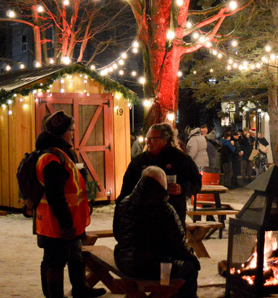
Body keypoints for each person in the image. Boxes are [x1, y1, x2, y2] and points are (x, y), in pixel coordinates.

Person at [35, 111, 106, 298]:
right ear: (60, 132)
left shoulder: (64, 153)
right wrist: (66, 224)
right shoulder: (51, 157)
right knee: (55, 262)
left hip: (71, 221)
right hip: (56, 222)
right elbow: (55, 195)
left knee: (76, 255)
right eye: (71, 130)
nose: (73, 133)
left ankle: (80, 289)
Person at [114, 166, 199, 298]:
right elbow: (179, 244)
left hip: (123, 261)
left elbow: (118, 234)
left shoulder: (124, 203)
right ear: (162, 185)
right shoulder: (164, 209)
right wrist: (191, 257)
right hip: (149, 265)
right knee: (190, 268)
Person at [117, 122, 202, 225]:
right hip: (143, 220)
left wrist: (182, 188)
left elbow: (197, 183)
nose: (148, 142)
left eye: (152, 138)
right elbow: (126, 191)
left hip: (172, 219)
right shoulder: (139, 162)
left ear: (164, 140)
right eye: (147, 138)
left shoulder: (180, 159)